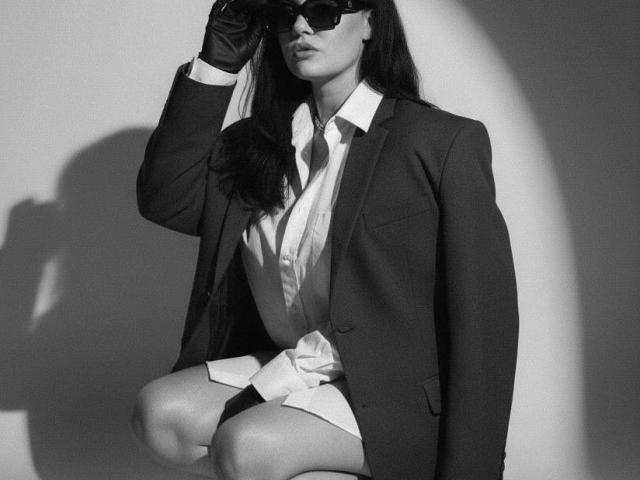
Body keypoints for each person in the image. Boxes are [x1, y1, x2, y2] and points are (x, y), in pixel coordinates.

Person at [130, 0, 519, 479]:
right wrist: (217, 65)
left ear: (370, 21)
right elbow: (166, 199)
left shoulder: (438, 142)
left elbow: (484, 318)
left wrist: (474, 469)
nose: (300, 26)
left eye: (322, 10)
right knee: (160, 415)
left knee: (246, 446)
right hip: (295, 361)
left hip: (393, 389)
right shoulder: (254, 145)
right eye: (285, 13)